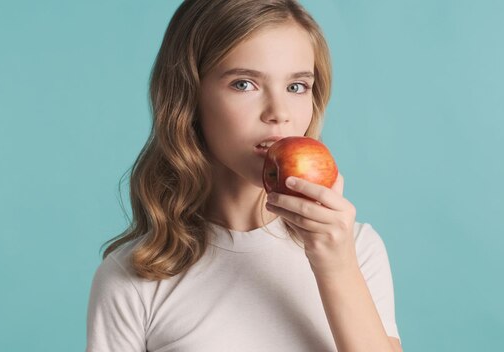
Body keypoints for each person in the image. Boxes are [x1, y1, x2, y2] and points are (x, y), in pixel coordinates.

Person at [86, 0, 402, 351]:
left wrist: (336, 266)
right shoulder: (132, 278)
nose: (279, 113)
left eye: (296, 86)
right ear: (188, 97)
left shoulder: (356, 250)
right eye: (244, 84)